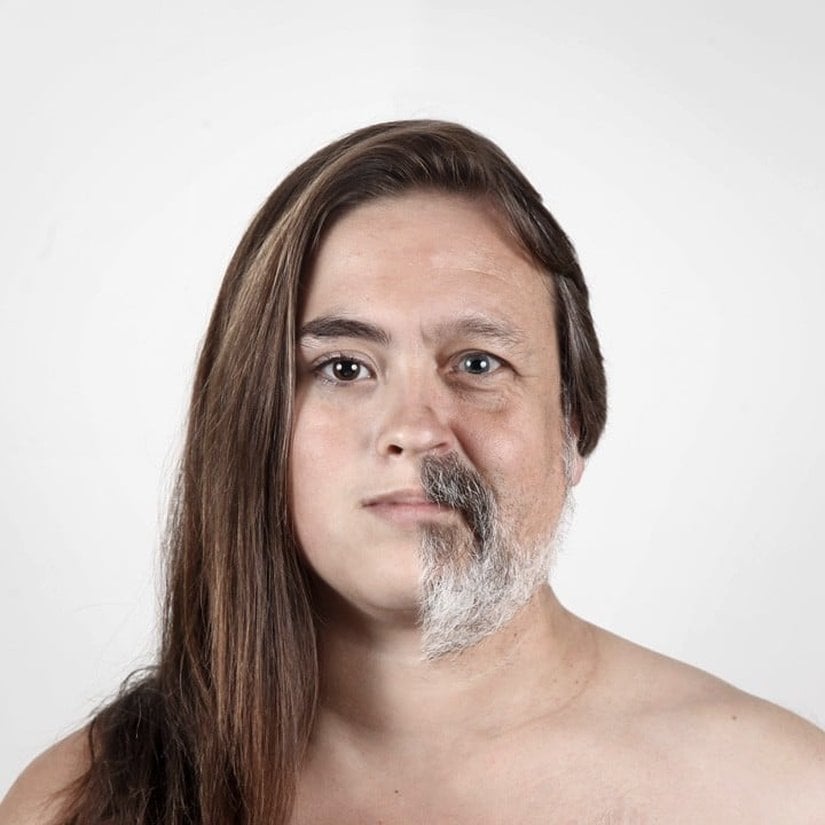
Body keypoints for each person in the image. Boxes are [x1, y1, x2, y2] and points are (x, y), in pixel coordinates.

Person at [2, 120, 823, 825]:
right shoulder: (75, 804)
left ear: (573, 426)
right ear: (253, 424)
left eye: (477, 362)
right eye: (343, 368)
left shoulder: (774, 794)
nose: (414, 429)